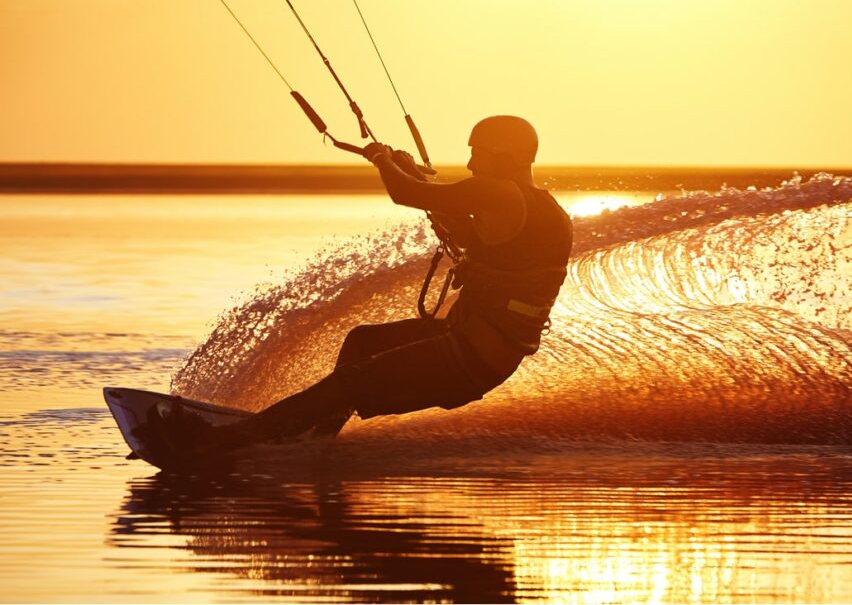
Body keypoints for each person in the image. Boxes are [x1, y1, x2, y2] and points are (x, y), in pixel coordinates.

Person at [150, 116, 573, 458]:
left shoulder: (497, 192)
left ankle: (220, 443)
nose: (470, 163)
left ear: (503, 152)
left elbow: (407, 194)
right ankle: (313, 439)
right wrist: (407, 172)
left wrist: (383, 160)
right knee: (362, 342)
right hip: (481, 350)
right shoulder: (543, 207)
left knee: (350, 383)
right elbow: (466, 234)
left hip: (469, 353)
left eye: (476, 152)